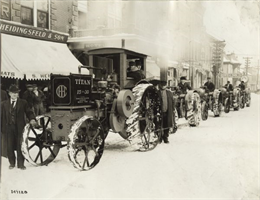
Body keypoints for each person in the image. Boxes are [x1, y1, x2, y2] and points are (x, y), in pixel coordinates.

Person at [1, 84, 36, 170]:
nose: (15, 95)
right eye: (13, 93)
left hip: (20, 127)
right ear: (9, 93)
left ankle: (21, 164)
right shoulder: (3, 104)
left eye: (16, 93)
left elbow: (29, 112)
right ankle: (12, 163)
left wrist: (32, 119)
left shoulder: (23, 102)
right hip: (8, 128)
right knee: (9, 146)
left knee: (20, 146)